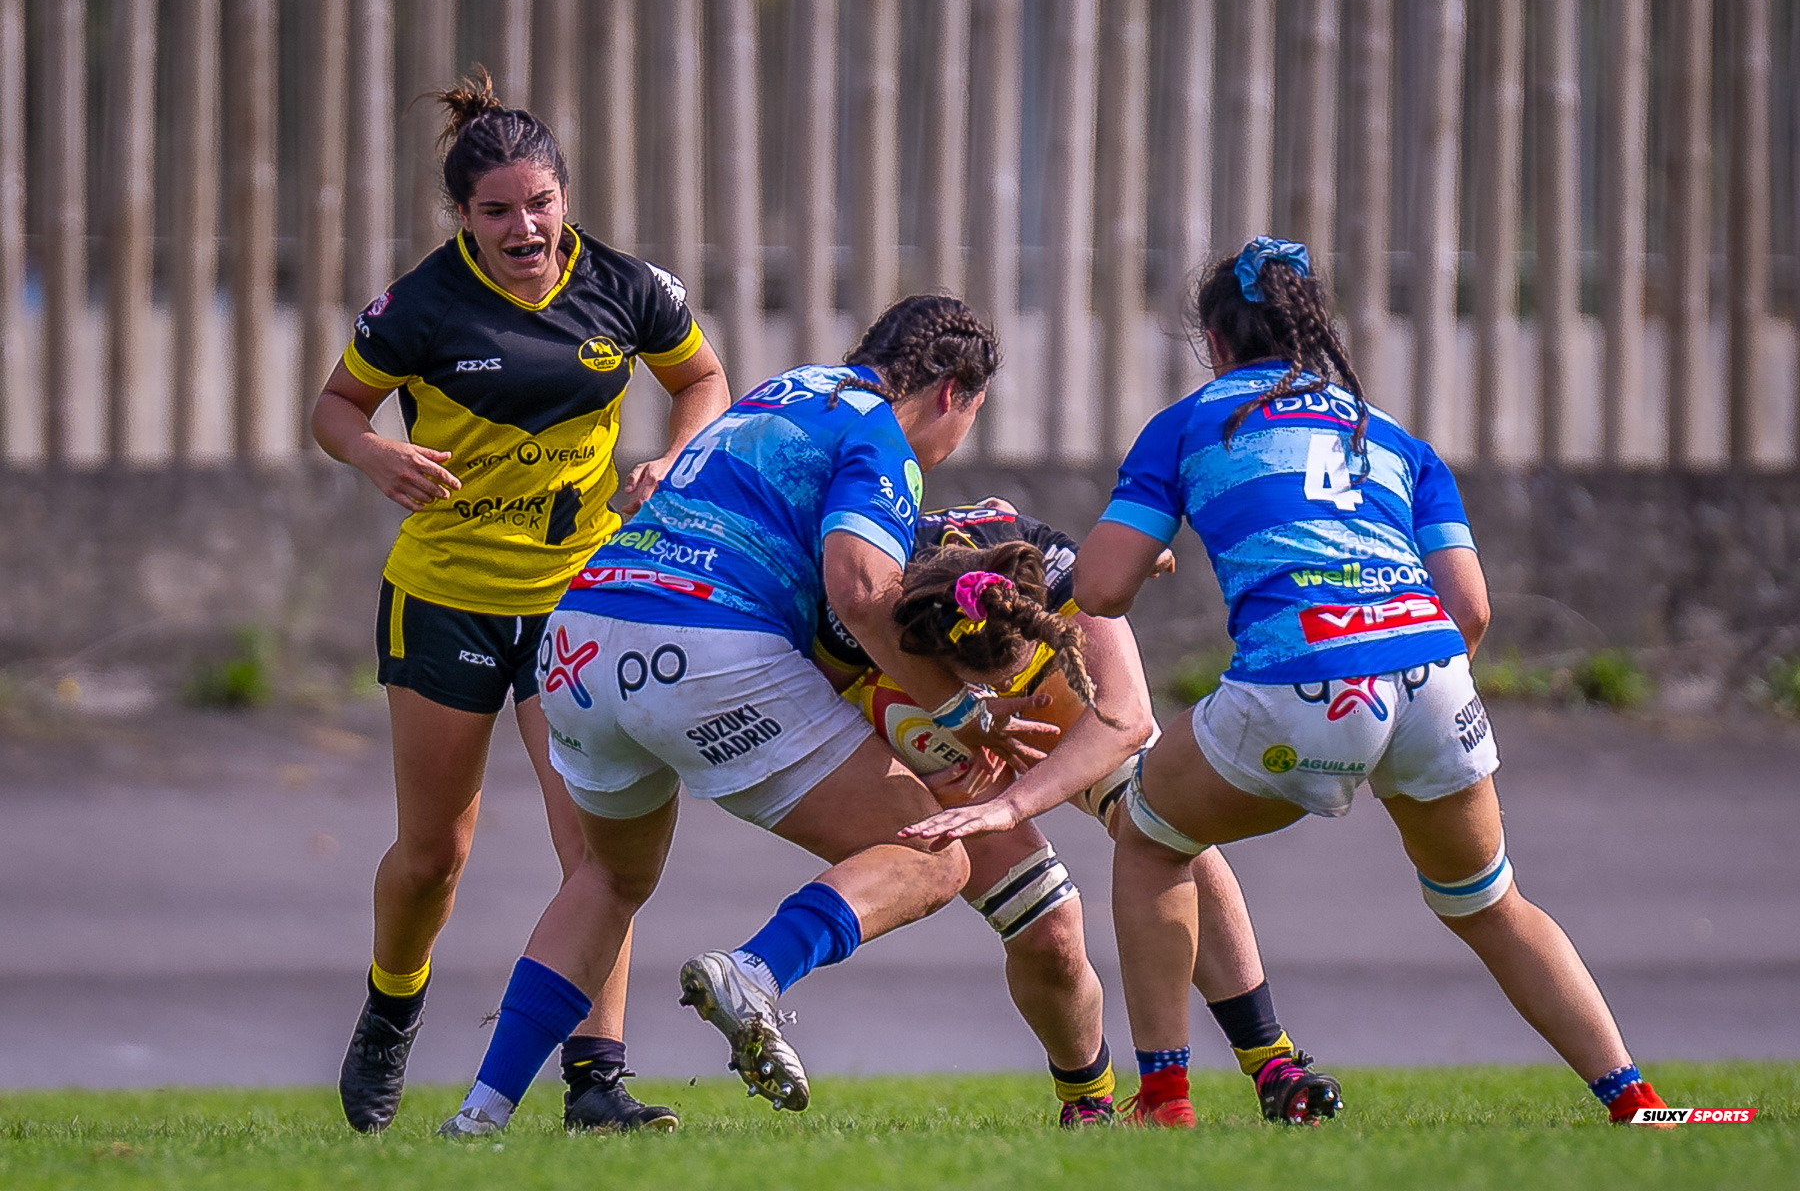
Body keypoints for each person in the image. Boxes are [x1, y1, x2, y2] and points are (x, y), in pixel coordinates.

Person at [1065, 236, 1670, 1127]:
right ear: (1313, 330)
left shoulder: (1191, 424)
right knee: (1490, 902)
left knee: (1154, 837)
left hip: (1301, 679)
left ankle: (1164, 1100)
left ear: (1216, 340)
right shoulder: (1389, 435)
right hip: (1432, 679)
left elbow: (1099, 590)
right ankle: (1638, 1102)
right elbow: (1471, 609)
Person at [434, 295, 1058, 1138]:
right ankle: (756, 973)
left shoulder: (783, 390)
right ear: (951, 393)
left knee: (608, 878)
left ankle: (477, 1118)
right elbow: (860, 591)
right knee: (939, 854)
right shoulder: (882, 436)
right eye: (970, 418)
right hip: (700, 647)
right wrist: (959, 712)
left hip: (580, 637)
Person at [309, 67, 730, 1134]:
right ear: (462, 218)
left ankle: (596, 1080)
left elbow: (703, 380)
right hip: (445, 599)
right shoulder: (423, 304)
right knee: (434, 855)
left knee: (596, 851)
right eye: (496, 211)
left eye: (540, 204)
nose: (524, 227)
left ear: (565, 199)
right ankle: (390, 1013)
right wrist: (376, 455)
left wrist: (675, 457)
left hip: (576, 607)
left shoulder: (627, 288)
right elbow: (335, 408)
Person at [827, 501, 1343, 1126]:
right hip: (908, 703)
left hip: (1018, 655)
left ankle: (1272, 1061)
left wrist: (1015, 799)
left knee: (1159, 821)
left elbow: (1128, 720)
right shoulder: (863, 596)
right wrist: (964, 724)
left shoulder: (1041, 562)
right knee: (1045, 920)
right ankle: (1087, 1102)